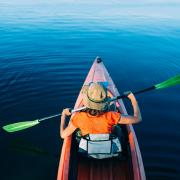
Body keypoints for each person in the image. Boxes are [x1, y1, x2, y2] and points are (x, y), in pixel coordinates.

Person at [60, 82, 142, 139]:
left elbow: (63, 135)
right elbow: (137, 118)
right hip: (108, 150)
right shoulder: (112, 116)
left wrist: (63, 115)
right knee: (117, 129)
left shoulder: (78, 118)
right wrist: (133, 99)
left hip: (86, 152)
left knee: (78, 132)